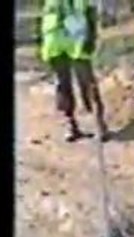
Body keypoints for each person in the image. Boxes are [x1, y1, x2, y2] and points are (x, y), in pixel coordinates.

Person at [40, 0, 109, 142]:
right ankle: (70, 124)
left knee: (87, 82)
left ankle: (98, 123)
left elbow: (91, 11)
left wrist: (91, 36)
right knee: (62, 85)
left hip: (78, 40)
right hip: (55, 40)